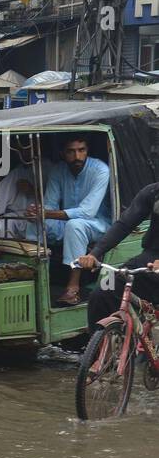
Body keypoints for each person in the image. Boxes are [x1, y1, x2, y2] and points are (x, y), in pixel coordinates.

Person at [26, 135, 111, 306]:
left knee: (75, 225)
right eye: (71, 151)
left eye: (81, 150)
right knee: (35, 223)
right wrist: (38, 212)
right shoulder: (59, 170)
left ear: (87, 151)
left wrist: (47, 213)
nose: (77, 156)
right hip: (67, 220)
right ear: (63, 153)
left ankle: (73, 288)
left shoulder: (100, 170)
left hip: (98, 223)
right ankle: (33, 277)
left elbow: (88, 212)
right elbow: (49, 203)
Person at [77, 181, 159, 328]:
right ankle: (100, 346)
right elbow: (124, 224)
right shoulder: (153, 192)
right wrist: (95, 253)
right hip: (150, 258)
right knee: (102, 292)